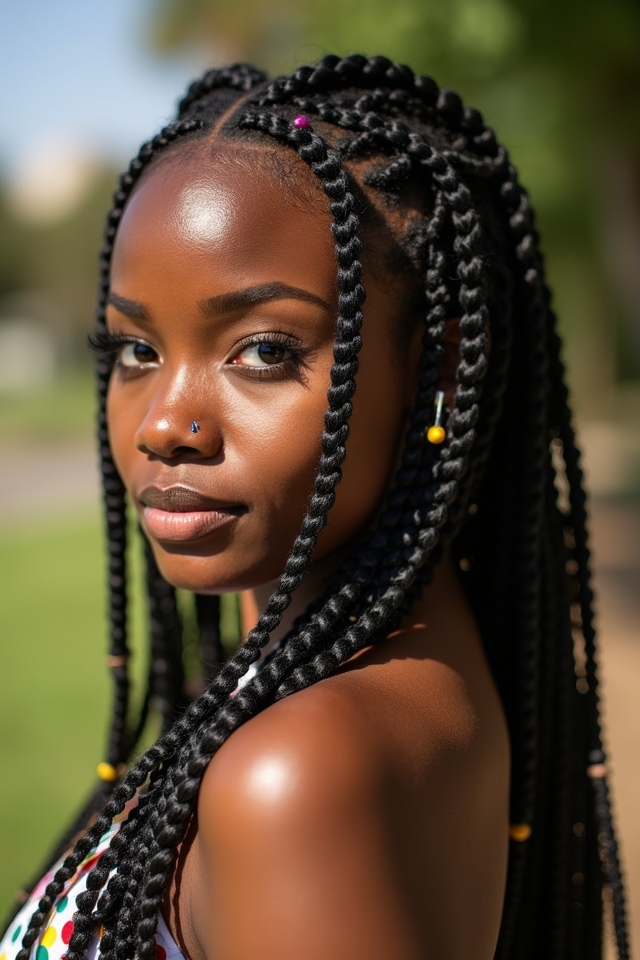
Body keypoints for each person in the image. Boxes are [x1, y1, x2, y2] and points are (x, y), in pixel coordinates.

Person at [0, 54, 630, 960]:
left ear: (438, 367)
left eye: (260, 350)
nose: (165, 423)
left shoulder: (298, 775)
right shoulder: (337, 673)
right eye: (135, 349)